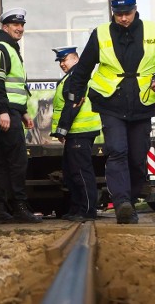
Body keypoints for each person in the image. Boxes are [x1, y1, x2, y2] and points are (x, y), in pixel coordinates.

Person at [69, 0, 155, 224]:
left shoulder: (154, 30)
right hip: (111, 102)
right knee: (117, 151)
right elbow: (83, 68)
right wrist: (75, 94)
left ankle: (128, 202)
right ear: (113, 12)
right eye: (118, 13)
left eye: (127, 13)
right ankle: (122, 203)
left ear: (135, 9)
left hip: (142, 103)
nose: (123, 18)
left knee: (137, 158)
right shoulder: (100, 34)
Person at [0, 8, 42, 223]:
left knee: (2, 161)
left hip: (11, 111)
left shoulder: (9, 48)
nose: (20, 28)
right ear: (4, 27)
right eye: (15, 25)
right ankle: (19, 207)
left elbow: (15, 86)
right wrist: (3, 111)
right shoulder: (1, 49)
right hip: (5, 112)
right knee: (17, 161)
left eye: (22, 25)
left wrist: (24, 111)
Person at [50, 46, 102, 221]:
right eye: (60, 62)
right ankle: (76, 208)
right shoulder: (71, 77)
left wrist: (61, 130)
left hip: (81, 130)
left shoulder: (77, 77)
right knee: (72, 172)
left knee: (80, 172)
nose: (62, 64)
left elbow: (73, 106)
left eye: (65, 60)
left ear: (76, 59)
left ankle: (88, 210)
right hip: (75, 131)